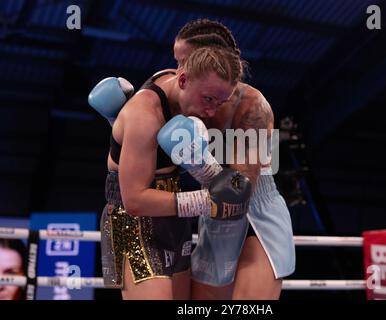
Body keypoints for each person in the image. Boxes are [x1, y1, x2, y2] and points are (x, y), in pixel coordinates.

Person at [89, 19, 296, 300]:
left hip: (250, 208)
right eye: (177, 60)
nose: (178, 69)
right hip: (149, 212)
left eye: (185, 60)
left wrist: (201, 165)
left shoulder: (252, 108)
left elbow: (237, 192)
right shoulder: (171, 91)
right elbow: (142, 142)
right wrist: (118, 121)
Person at [95, 46, 252, 300]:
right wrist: (208, 202)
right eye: (208, 99)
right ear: (182, 80)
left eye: (220, 102)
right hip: (133, 220)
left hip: (172, 211)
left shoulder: (181, 82)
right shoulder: (143, 115)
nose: (212, 111)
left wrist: (217, 178)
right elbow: (134, 201)